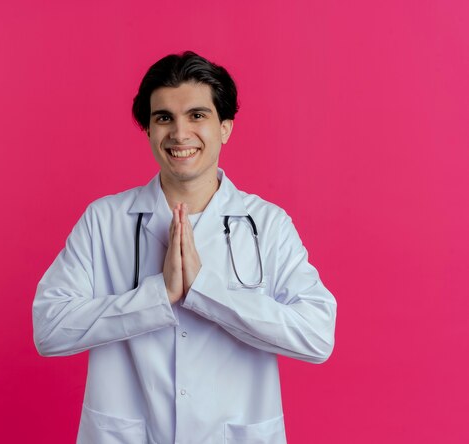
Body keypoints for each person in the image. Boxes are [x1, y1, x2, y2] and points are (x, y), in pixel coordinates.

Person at [33, 51, 337, 444]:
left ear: (225, 127)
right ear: (147, 129)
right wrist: (157, 295)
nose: (179, 133)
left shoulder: (268, 225)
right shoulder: (104, 221)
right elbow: (49, 327)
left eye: (197, 115)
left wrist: (205, 291)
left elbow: (317, 337)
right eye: (164, 118)